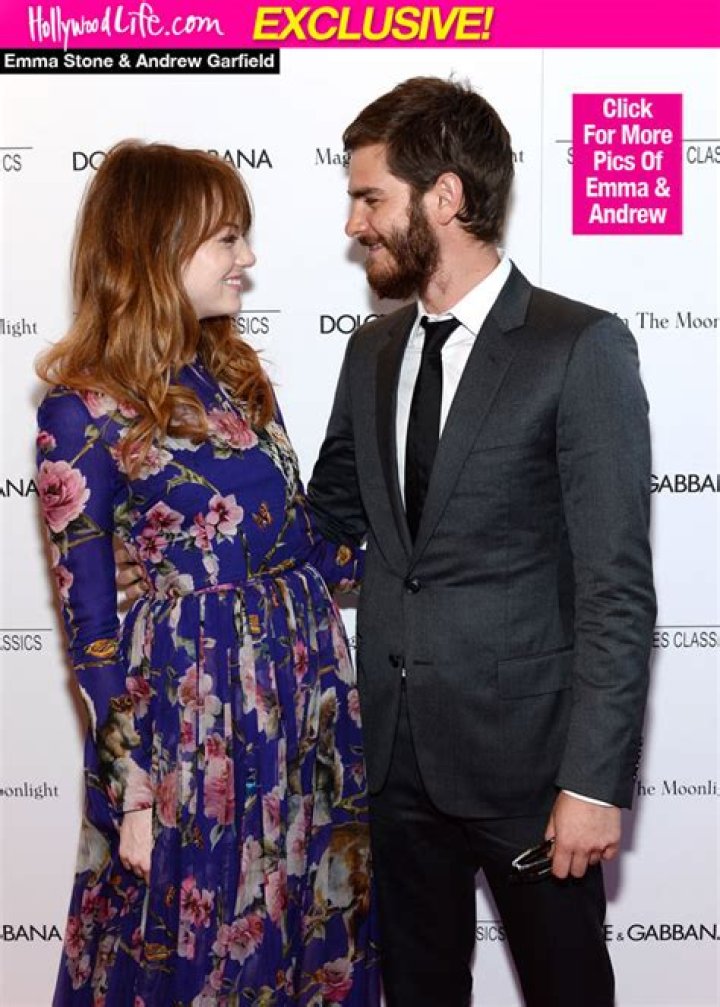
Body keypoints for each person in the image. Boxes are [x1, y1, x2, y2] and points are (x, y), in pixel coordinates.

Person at [305, 77, 656, 1007]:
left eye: (370, 197)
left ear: (445, 197)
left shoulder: (577, 347)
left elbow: (617, 585)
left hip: (530, 770)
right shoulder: (371, 353)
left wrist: (594, 783)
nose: (354, 224)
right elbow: (329, 519)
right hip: (394, 762)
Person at [36, 140, 380, 1007]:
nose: (247, 258)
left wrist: (430, 554)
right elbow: (92, 626)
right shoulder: (81, 411)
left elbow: (303, 545)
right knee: (205, 954)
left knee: (308, 936)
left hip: (303, 702)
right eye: (226, 238)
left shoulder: (237, 377)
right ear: (157, 246)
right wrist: (132, 794)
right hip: (197, 724)